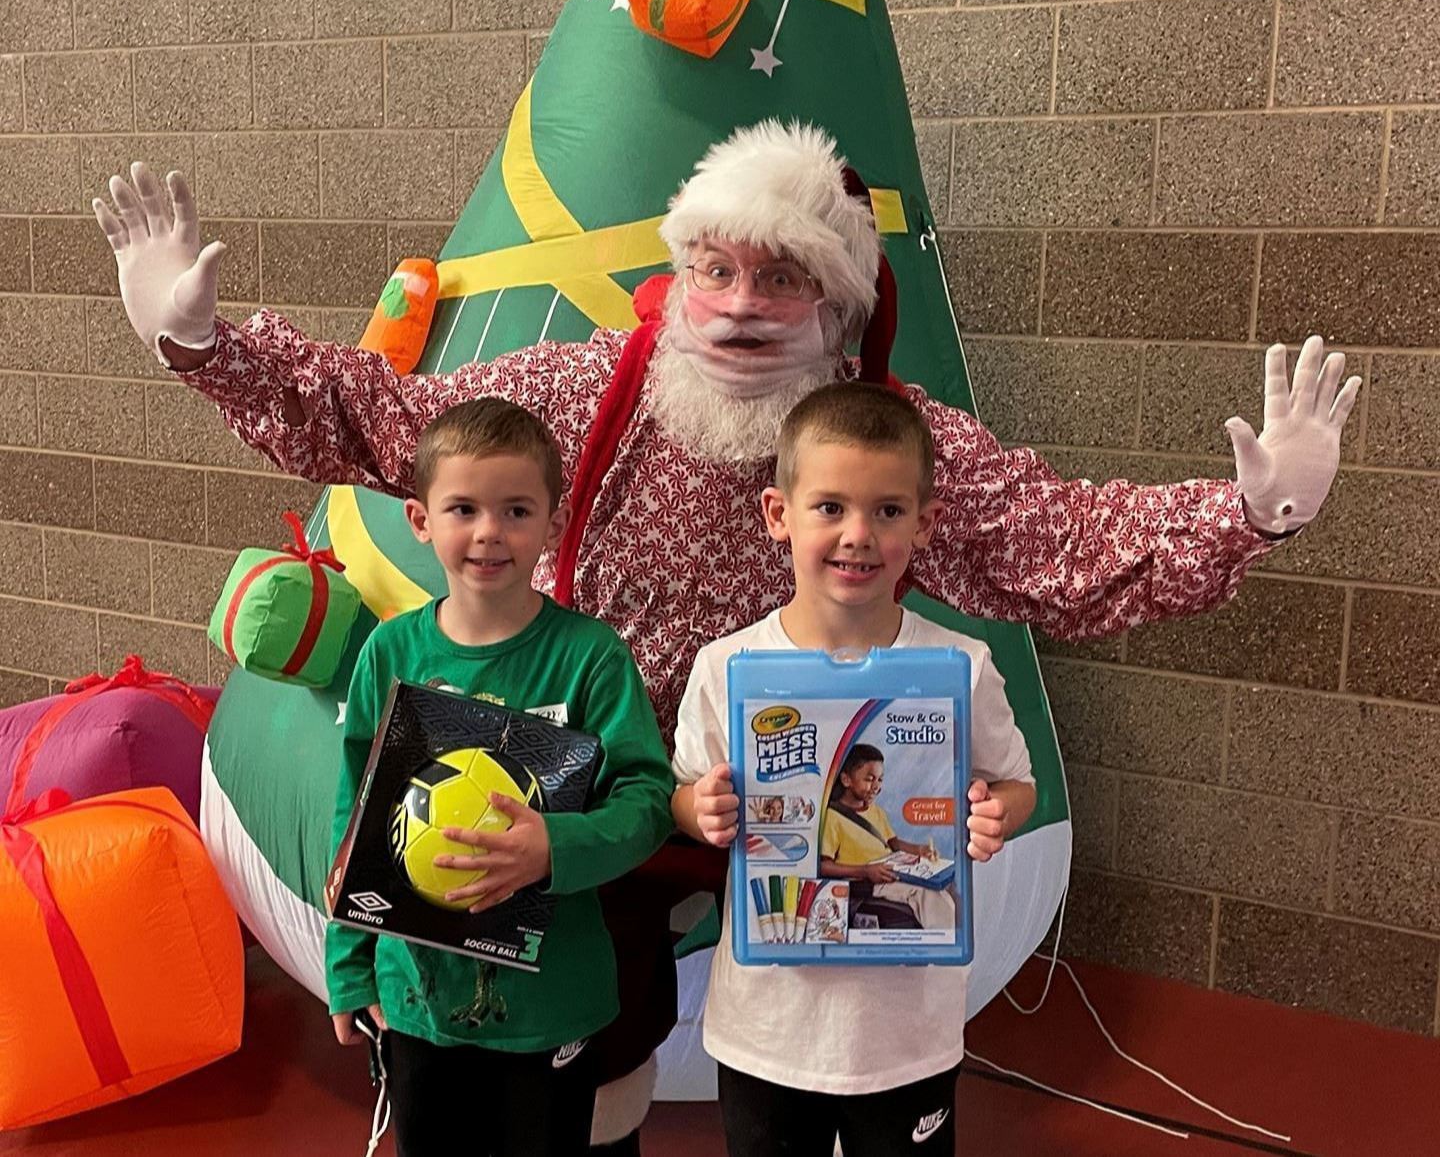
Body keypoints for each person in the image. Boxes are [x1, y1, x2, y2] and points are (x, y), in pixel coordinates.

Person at [93, 118, 1359, 1147]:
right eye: (717, 267)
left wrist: (1249, 513)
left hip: (790, 817)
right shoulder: (589, 386)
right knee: (541, 1045)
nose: (742, 304)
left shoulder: (883, 444)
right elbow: (398, 425)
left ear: (839, 303)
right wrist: (205, 343)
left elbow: (1064, 543)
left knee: (761, 1066)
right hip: (578, 786)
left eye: (783, 275)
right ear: (679, 268)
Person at [672, 382, 1035, 1156]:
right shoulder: (727, 665)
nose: (858, 535)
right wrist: (699, 808)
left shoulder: (960, 668)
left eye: (889, 510)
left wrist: (997, 812)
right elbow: (683, 791)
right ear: (779, 514)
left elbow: (1015, 783)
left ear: (925, 524)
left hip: (904, 1032)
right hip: (768, 1028)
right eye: (830, 506)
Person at [326, 397, 674, 1157]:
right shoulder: (390, 654)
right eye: (464, 508)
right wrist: (349, 968)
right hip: (417, 997)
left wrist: (555, 844)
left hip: (551, 1001)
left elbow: (648, 803)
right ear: (421, 519)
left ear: (553, 523)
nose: (489, 531)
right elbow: (351, 817)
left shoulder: (590, 657)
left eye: (517, 509)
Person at [820, 742, 955, 932]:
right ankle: (943, 945)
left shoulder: (877, 812)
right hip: (865, 884)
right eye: (869, 779)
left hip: (892, 873)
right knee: (929, 895)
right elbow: (823, 866)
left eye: (880, 780)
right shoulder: (833, 818)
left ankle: (952, 937)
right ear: (846, 779)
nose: (876, 786)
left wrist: (919, 850)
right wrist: (866, 871)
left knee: (949, 886)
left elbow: (894, 844)